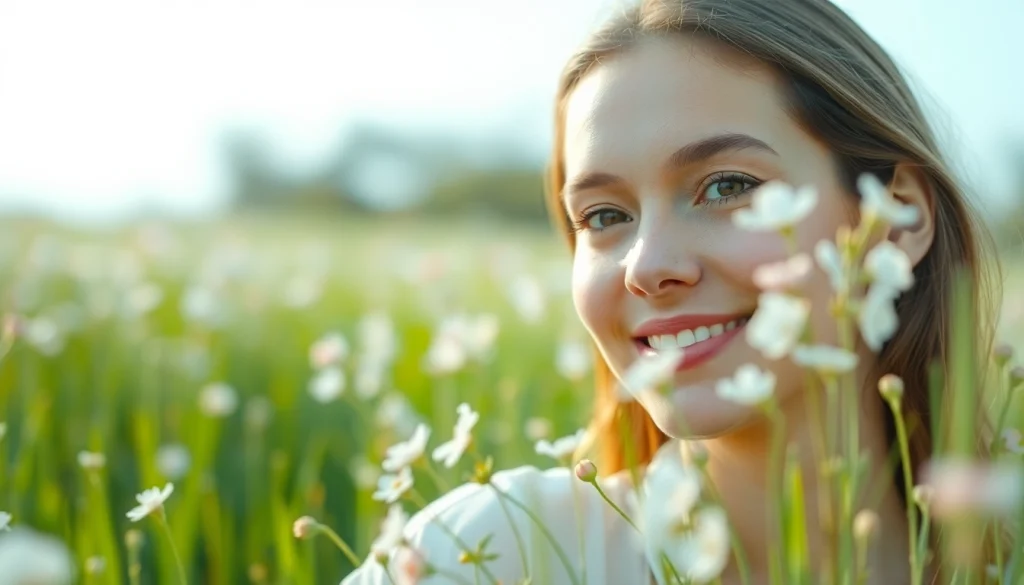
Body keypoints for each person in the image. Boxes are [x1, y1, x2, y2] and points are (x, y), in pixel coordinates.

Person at [342, 0, 1001, 583]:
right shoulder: (485, 553)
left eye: (727, 186)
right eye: (604, 215)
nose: (648, 266)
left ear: (895, 218)